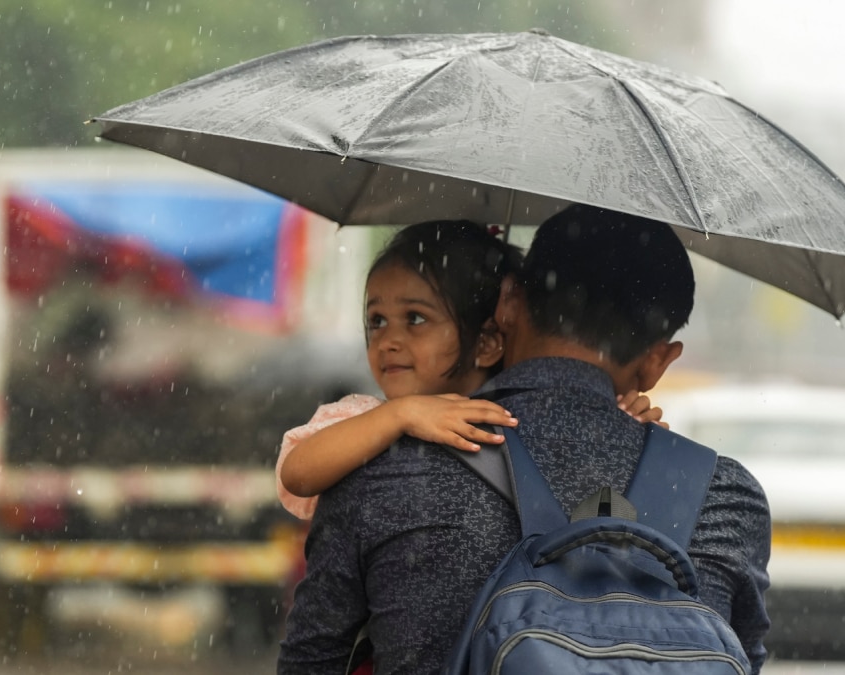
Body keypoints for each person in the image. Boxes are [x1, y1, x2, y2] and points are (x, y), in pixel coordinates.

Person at [278, 205, 772, 675]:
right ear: (659, 361)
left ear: (510, 303)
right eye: (378, 321)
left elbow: (311, 659)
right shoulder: (722, 496)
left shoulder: (379, 464)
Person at [274, 220, 665, 521]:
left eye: (415, 318)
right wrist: (400, 415)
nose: (388, 340)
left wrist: (625, 423)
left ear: (487, 342)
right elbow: (297, 473)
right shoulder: (361, 417)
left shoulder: (520, 415)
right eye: (376, 320)